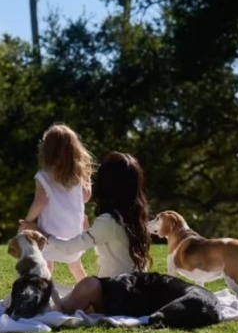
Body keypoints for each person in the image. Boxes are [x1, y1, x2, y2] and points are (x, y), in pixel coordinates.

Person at [21, 151, 153, 314]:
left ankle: (53, 310)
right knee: (84, 287)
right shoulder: (136, 217)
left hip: (117, 295)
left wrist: (41, 233)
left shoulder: (109, 221)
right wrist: (89, 230)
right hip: (137, 293)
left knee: (87, 286)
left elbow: (69, 248)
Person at [20, 123, 94, 282]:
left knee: (47, 266)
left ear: (47, 150)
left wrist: (28, 221)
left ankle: (42, 294)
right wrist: (87, 178)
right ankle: (91, 294)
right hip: (73, 232)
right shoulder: (77, 174)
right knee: (75, 265)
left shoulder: (43, 175)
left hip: (50, 232)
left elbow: (40, 201)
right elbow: (86, 197)